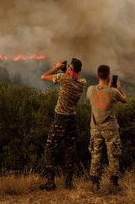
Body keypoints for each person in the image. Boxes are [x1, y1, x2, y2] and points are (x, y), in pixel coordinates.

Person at [39, 58, 86, 191]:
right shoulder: (82, 83)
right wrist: (66, 70)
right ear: (79, 71)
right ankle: (68, 183)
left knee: (50, 149)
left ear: (70, 70)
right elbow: (74, 77)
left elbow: (43, 77)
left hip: (60, 117)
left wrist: (56, 67)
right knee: (69, 149)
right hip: (72, 118)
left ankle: (50, 182)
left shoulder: (63, 78)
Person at [86, 65, 127, 193]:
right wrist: (119, 88)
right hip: (110, 129)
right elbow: (124, 100)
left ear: (98, 75)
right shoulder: (114, 92)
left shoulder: (90, 90)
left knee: (95, 156)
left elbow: (100, 96)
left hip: (95, 129)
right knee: (113, 156)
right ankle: (113, 184)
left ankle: (95, 183)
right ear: (109, 75)